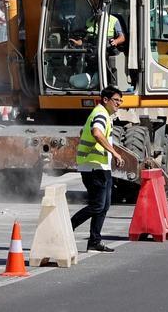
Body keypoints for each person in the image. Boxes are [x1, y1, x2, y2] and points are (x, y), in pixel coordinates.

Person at [70, 86, 126, 252]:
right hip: (93, 167)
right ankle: (68, 227)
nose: (119, 104)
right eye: (116, 100)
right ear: (105, 100)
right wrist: (115, 153)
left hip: (101, 166)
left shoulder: (103, 115)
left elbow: (86, 132)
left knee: (104, 206)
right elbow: (96, 133)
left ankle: (95, 241)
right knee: (97, 205)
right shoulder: (100, 113)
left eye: (121, 101)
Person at [68, 14, 126, 86]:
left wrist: (115, 41)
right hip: (92, 53)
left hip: (107, 52)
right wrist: (76, 43)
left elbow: (122, 38)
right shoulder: (89, 21)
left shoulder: (114, 20)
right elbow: (84, 40)